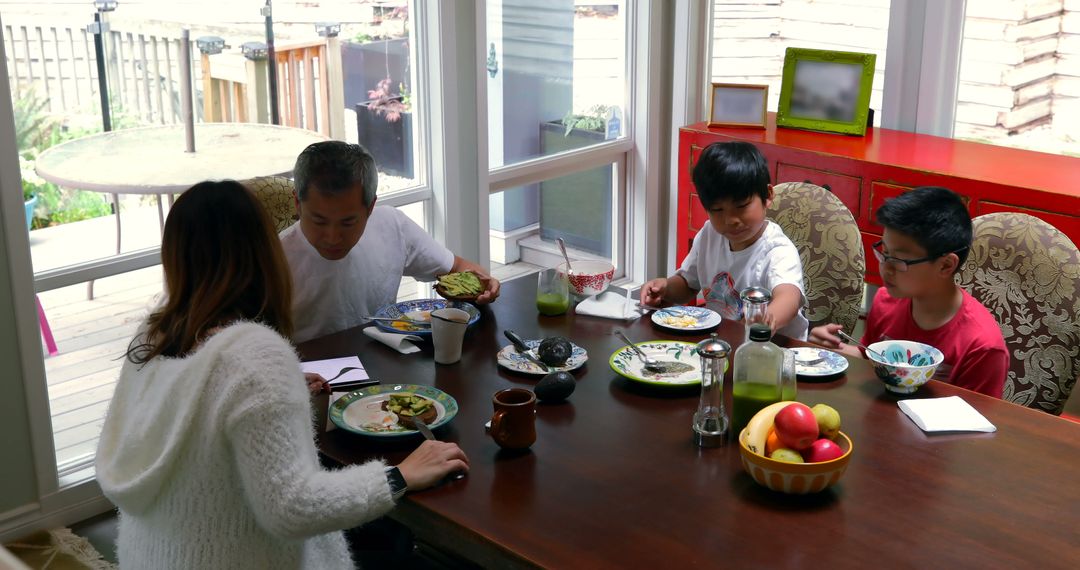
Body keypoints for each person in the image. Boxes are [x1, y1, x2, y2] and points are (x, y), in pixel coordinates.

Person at [96, 180, 469, 569]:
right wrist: (400, 476)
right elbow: (293, 507)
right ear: (263, 252)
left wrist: (280, 392)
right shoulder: (253, 357)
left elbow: (192, 421)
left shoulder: (150, 335)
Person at [280, 141, 500, 342]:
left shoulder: (390, 225)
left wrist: (484, 285)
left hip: (387, 364)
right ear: (297, 203)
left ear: (370, 208)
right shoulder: (274, 257)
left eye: (348, 223)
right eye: (319, 221)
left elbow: (459, 269)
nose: (332, 236)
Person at [809, 186, 1008, 398]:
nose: (886, 267)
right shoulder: (886, 302)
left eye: (899, 260)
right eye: (884, 252)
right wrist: (833, 349)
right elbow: (870, 358)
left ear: (946, 265)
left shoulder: (982, 347)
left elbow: (977, 424)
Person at [640, 141, 808, 339]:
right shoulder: (710, 234)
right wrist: (666, 287)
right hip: (723, 342)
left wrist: (766, 319)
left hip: (775, 351)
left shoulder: (777, 250)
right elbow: (687, 284)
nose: (730, 220)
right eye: (717, 210)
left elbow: (789, 296)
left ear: (768, 195)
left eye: (741, 206)